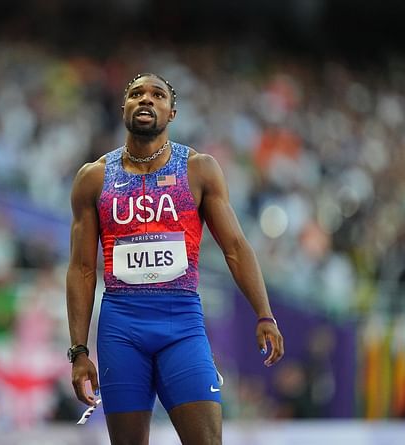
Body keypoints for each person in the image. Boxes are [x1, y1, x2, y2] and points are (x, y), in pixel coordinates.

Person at [66, 73, 284, 444]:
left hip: (181, 324)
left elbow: (235, 247)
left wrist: (264, 313)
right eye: (136, 94)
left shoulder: (198, 169)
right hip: (121, 327)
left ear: (172, 111)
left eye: (157, 95)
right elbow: (83, 269)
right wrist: (79, 351)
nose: (145, 100)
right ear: (124, 109)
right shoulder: (94, 178)